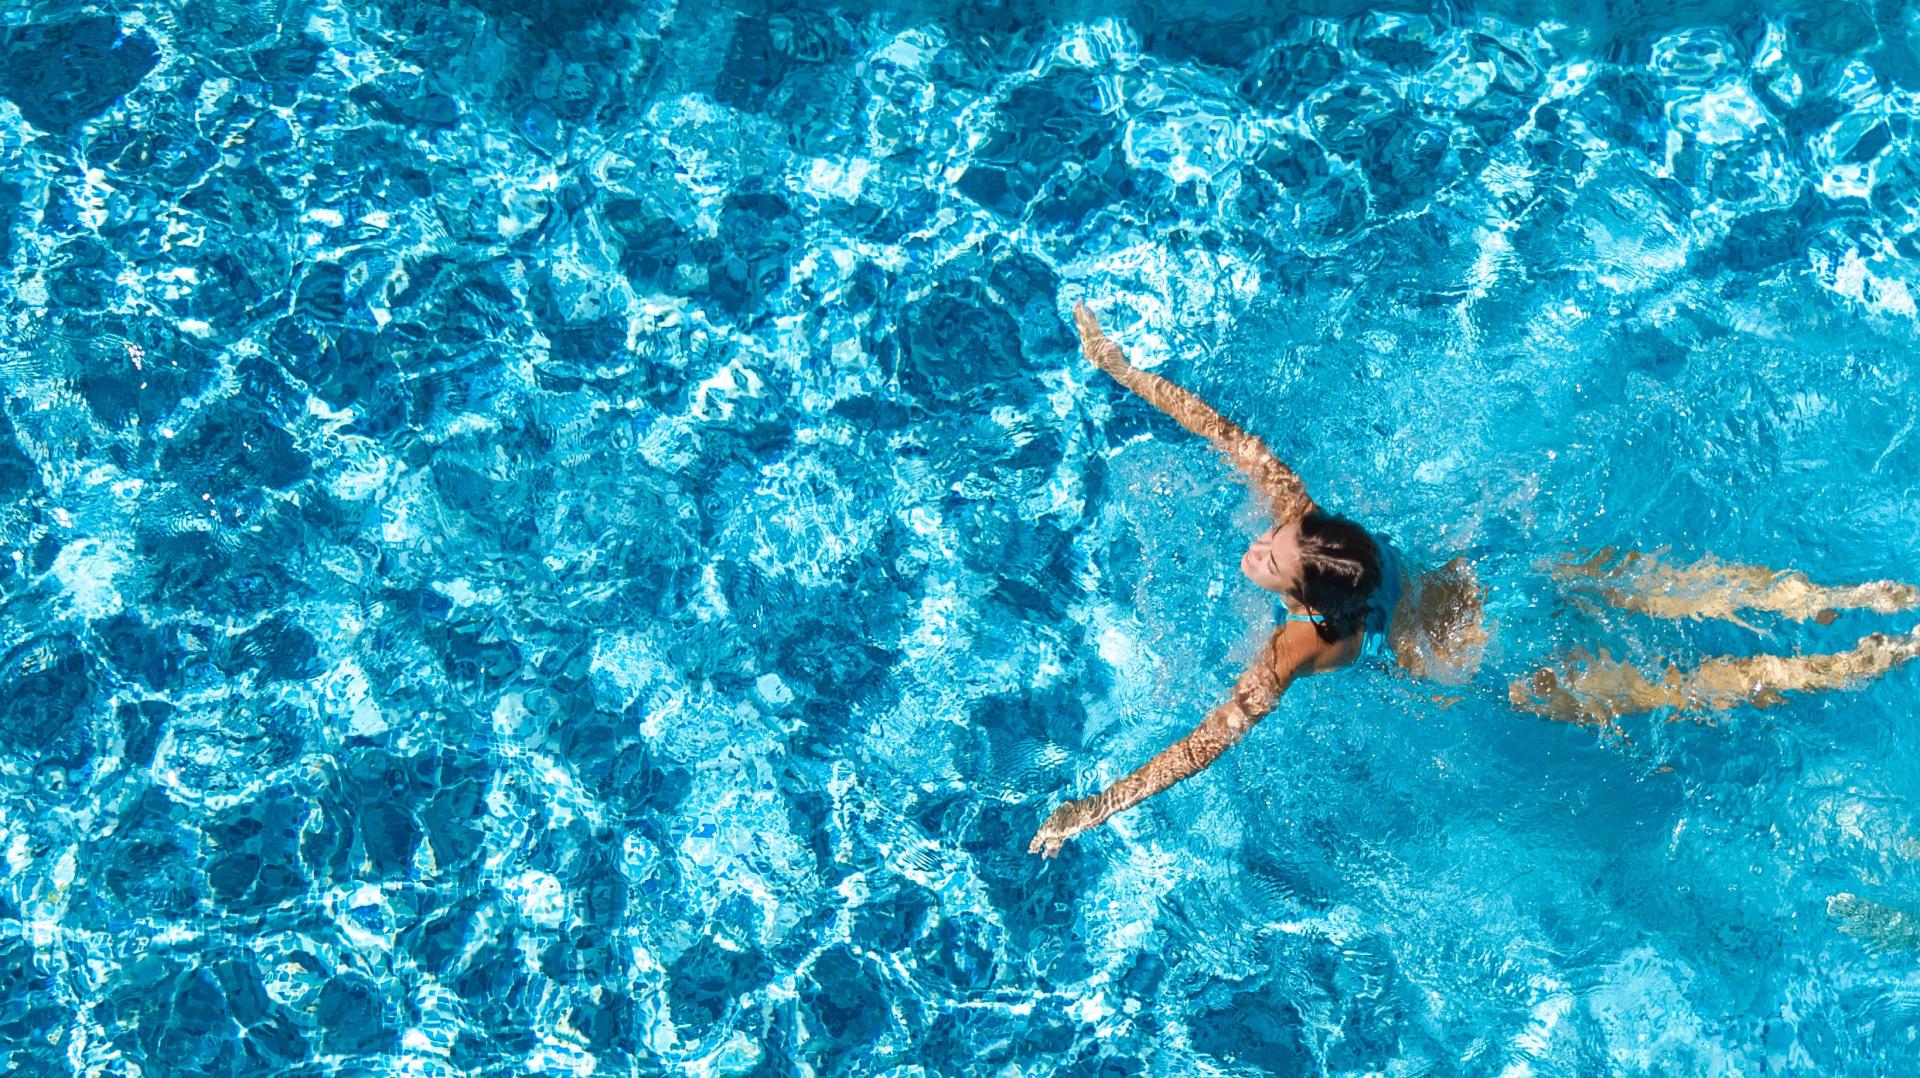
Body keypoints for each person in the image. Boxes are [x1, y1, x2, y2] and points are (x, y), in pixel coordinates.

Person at [1028, 302, 1920, 857]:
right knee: (1674, 588)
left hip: (1493, 665)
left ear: (1308, 601)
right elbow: (1225, 434)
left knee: (1675, 687)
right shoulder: (1320, 530)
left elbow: (1202, 746)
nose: (1262, 548)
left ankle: (1848, 655)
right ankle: (1874, 606)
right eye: (1275, 539)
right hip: (1502, 587)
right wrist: (1120, 368)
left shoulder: (1298, 648)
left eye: (1275, 556)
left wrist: (1094, 808)